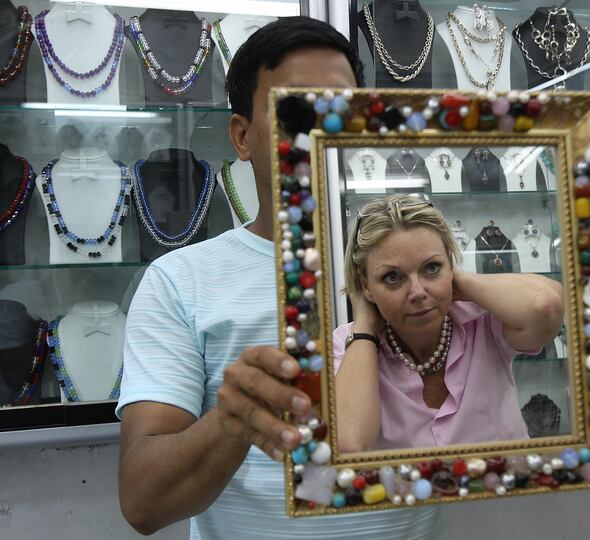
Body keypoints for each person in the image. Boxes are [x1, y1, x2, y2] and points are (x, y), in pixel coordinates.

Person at [116, 17, 445, 539]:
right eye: (294, 109)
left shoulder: (422, 265)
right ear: (243, 137)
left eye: (340, 108)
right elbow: (143, 502)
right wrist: (231, 422)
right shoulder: (181, 281)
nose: (321, 127)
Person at [334, 194, 566, 451]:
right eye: (392, 277)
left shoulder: (482, 319)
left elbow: (546, 305)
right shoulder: (347, 346)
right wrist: (365, 326)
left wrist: (460, 284)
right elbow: (349, 445)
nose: (418, 292)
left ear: (451, 266)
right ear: (366, 286)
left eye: (431, 267)